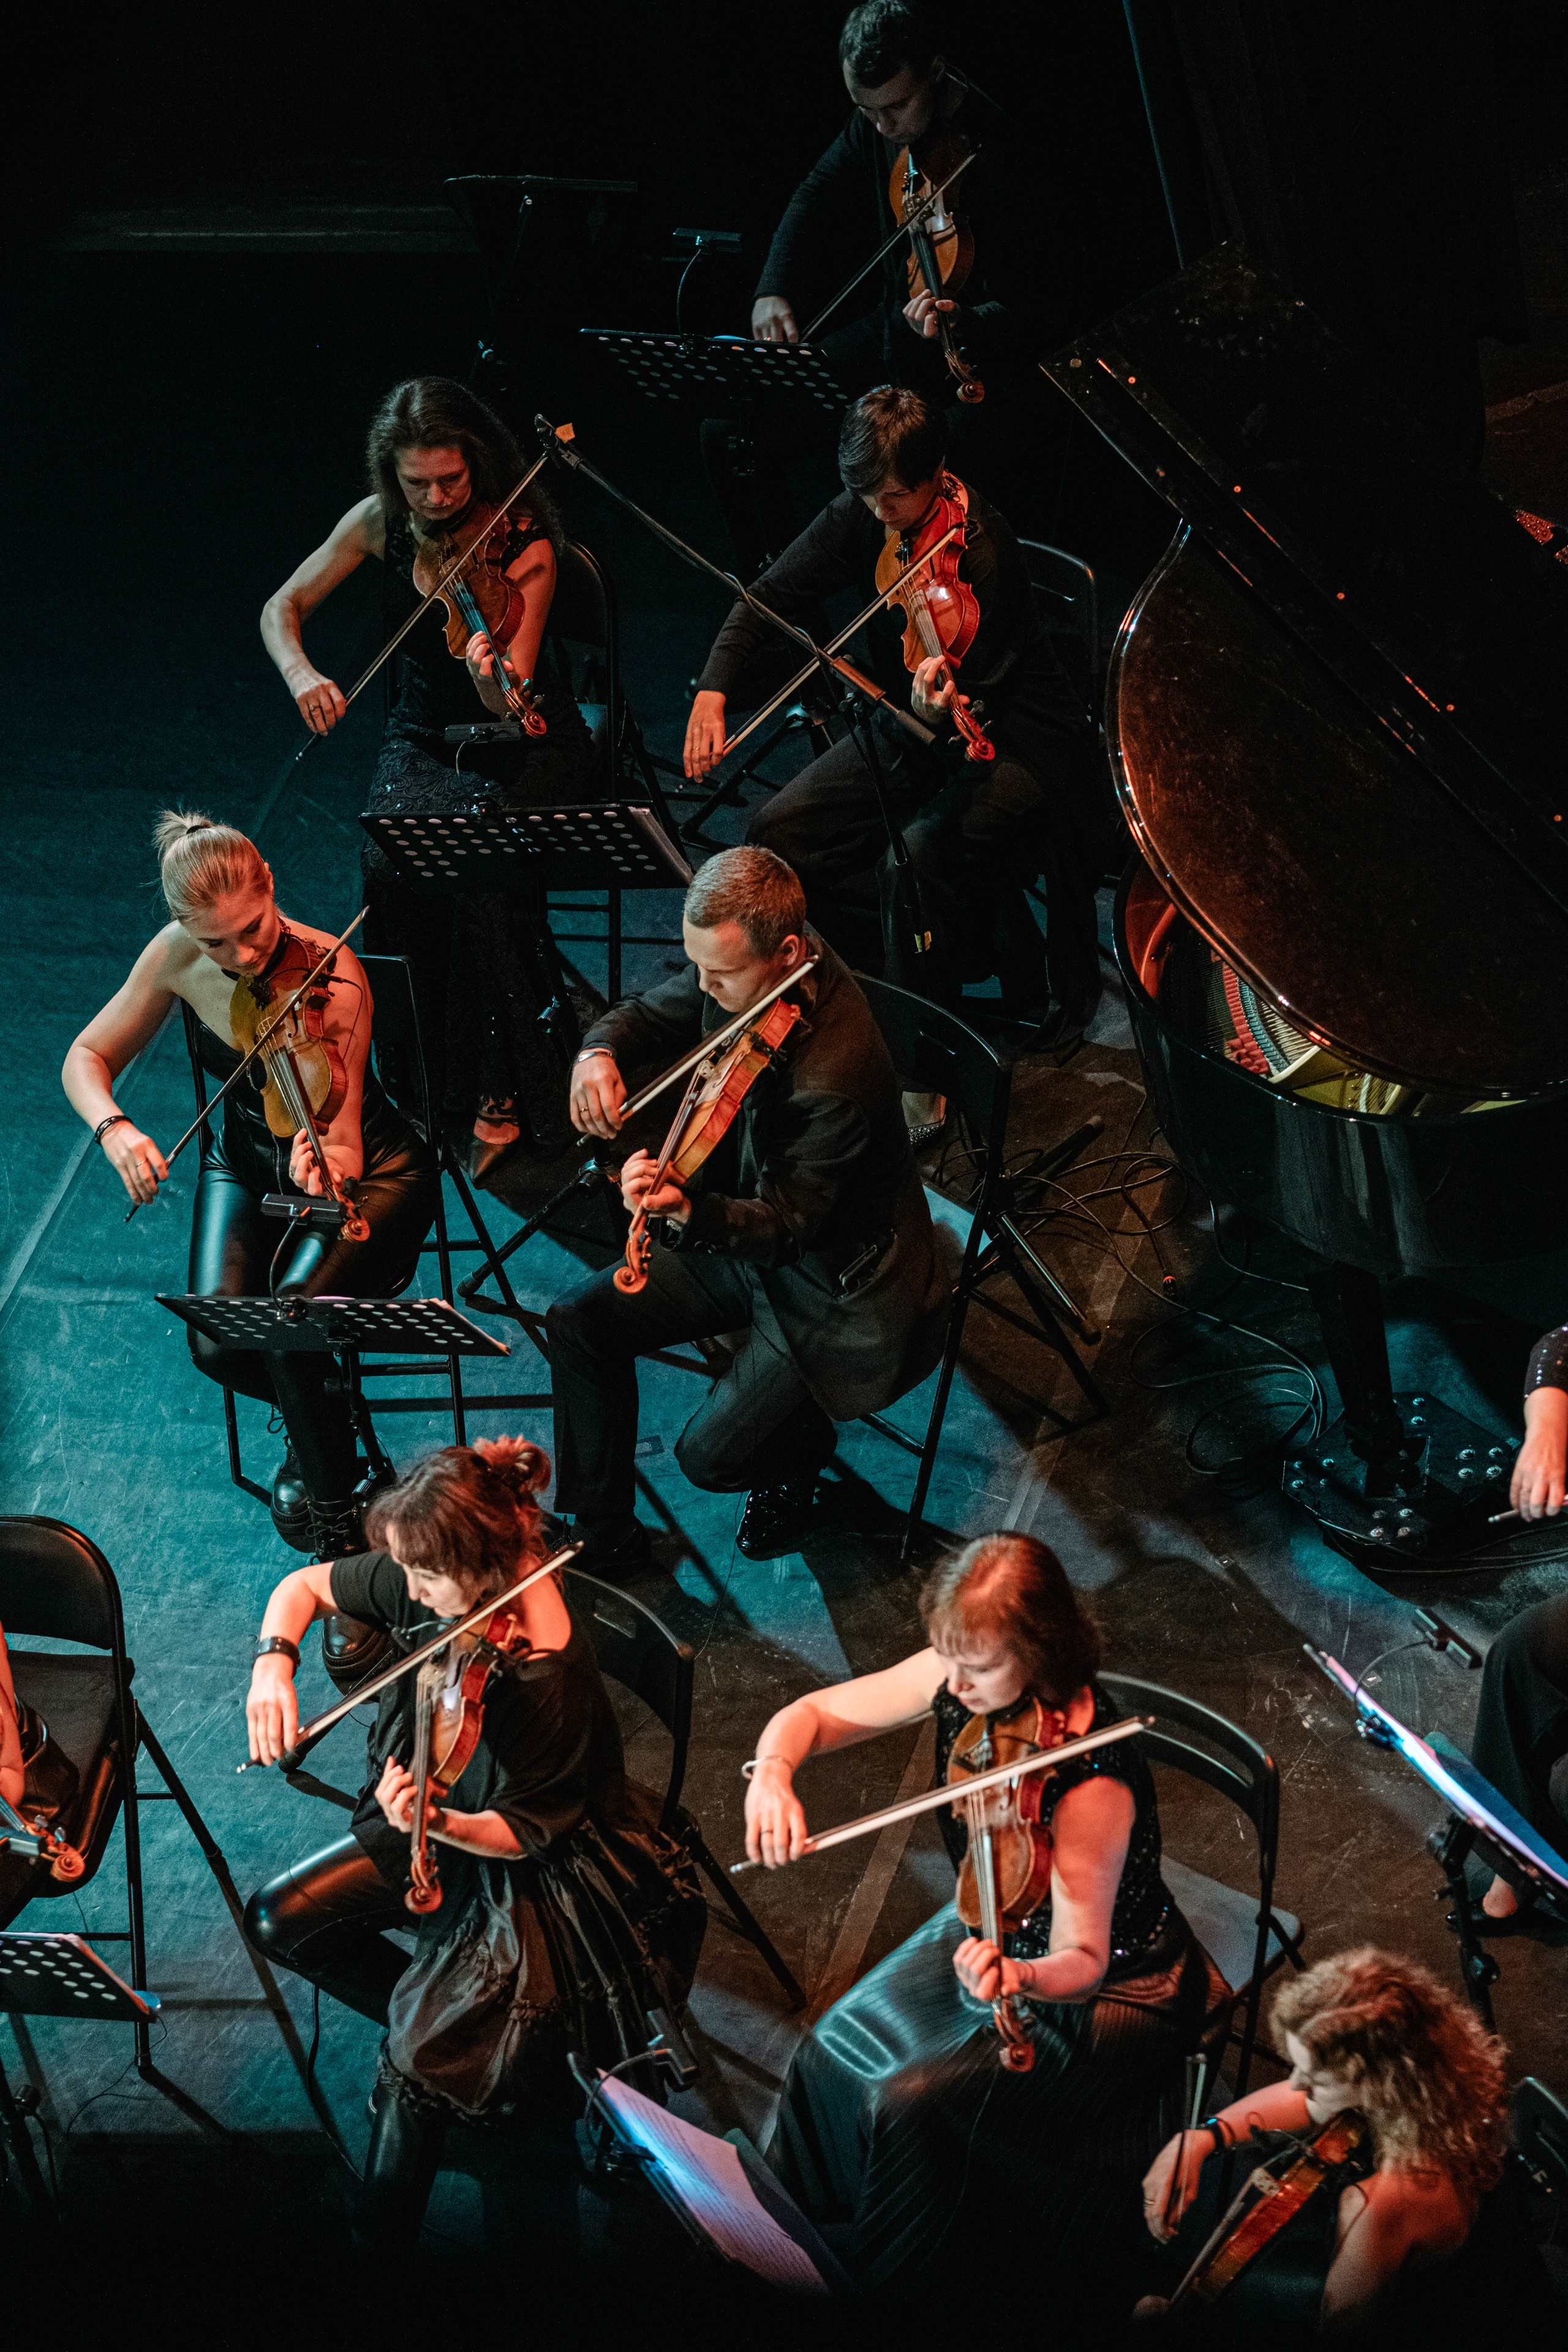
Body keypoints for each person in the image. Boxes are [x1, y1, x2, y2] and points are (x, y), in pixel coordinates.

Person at [242, 1435, 705, 2252]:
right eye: (405, 1573)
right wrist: (272, 1666)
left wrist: (435, 1822)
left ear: (485, 1571)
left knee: (418, 2076)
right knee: (281, 1920)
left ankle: (388, 2220)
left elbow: (525, 1834)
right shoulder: (442, 1569)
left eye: (422, 1578)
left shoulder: (544, 1676)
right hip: (439, 1800)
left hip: (544, 1867)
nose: (406, 1593)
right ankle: (460, 2036)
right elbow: (305, 1586)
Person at [748, 1532, 1211, 2304]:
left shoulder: (1092, 1783)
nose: (955, 1685)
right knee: (828, 2049)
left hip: (1110, 1988)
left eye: (981, 1666)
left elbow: (1085, 1957)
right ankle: (790, 2241)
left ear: (1042, 1650)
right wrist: (771, 1773)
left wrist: (1020, 1973)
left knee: (910, 2104)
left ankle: (905, 2283)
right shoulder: (956, 1672)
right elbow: (816, 1713)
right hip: (990, 1922)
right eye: (945, 1656)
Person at [61, 812, 439, 1634]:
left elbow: (336, 1140)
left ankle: (341, 1556)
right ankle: (327, 1419)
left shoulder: (332, 976)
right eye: (218, 944)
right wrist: (115, 1128)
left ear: (270, 883)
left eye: (253, 930)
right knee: (217, 1339)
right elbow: (85, 1059)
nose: (243, 956)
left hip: (366, 1174)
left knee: (287, 1326)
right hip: (241, 1161)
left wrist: (320, 1165)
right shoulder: (174, 955)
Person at [546, 844, 949, 1571]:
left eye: (718, 975)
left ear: (788, 951)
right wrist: (597, 1052)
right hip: (744, 1230)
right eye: (696, 965)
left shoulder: (833, 1078)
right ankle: (601, 1530)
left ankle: (800, 1456)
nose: (701, 986)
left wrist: (687, 1213)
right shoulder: (756, 970)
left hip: (828, 1285)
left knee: (709, 1460)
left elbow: (788, 1228)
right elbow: (652, 1012)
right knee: (578, 1324)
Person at [686, 387, 1106, 1046]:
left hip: (1013, 736)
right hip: (913, 719)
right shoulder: (868, 511)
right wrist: (714, 689)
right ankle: (873, 975)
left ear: (937, 476)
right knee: (779, 830)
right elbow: (769, 596)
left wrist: (925, 707)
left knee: (908, 858)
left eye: (894, 500)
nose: (881, 515)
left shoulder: (982, 554)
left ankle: (920, 1056)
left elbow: (971, 705)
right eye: (866, 497)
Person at [260, 375, 593, 1175]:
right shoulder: (382, 525)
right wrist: (303, 674)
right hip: (421, 733)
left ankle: (500, 1086)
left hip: (522, 740)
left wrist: (488, 673)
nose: (440, 499)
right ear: (394, 478)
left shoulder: (525, 541)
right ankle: (412, 1083)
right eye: (420, 484)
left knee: (474, 870)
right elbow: (282, 608)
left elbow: (512, 697)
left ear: (477, 462)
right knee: (389, 857)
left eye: (453, 479)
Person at [706, 2, 1055, 578]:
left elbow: (1036, 305)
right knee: (731, 430)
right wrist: (772, 288)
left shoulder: (997, 148)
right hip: (895, 336)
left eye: (896, 106)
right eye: (865, 110)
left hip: (968, 373)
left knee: (903, 484)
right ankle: (775, 609)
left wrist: (962, 319)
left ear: (936, 73)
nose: (881, 127)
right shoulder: (876, 124)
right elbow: (813, 195)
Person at [1139, 1947, 1555, 2334]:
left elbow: (1338, 2326)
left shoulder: (1384, 2204)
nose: (1295, 2085)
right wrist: (1204, 2137)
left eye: (1314, 2079)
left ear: (1376, 2085)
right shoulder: (1437, 2082)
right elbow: (1304, 2102)